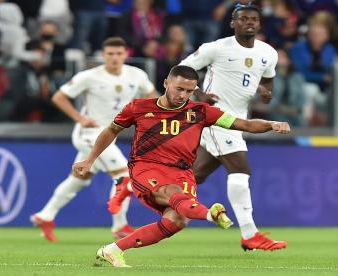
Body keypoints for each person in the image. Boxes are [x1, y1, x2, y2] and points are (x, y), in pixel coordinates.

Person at [72, 65, 291, 267]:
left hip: (182, 172)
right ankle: (209, 215)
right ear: (166, 83)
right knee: (172, 193)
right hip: (146, 167)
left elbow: (244, 124)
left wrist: (271, 124)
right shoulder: (138, 107)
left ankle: (113, 250)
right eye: (179, 89)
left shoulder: (201, 112)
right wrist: (90, 159)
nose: (183, 95)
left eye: (189, 91)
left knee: (177, 220)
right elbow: (111, 130)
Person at [112, 2, 286, 251]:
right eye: (243, 19)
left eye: (253, 20)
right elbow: (182, 70)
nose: (249, 23)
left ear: (259, 23)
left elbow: (268, 77)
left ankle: (127, 187)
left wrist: (267, 91)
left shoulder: (269, 52)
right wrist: (199, 95)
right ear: (233, 23)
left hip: (238, 118)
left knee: (197, 174)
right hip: (215, 118)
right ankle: (250, 234)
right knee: (240, 169)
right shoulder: (216, 48)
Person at [30, 37, 157, 242]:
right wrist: (80, 118)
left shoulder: (137, 75)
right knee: (125, 174)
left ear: (126, 54)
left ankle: (45, 215)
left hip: (110, 135)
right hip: (89, 134)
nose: (114, 58)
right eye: (110, 54)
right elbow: (58, 97)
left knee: (78, 180)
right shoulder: (89, 76)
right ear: (103, 55)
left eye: (118, 53)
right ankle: (119, 225)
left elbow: (152, 97)